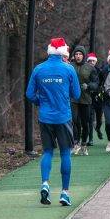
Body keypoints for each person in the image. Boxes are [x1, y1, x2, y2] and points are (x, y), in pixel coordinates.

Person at [26, 37, 81, 207]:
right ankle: (65, 193)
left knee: (48, 152)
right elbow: (77, 94)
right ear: (64, 52)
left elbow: (29, 94)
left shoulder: (39, 69)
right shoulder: (69, 69)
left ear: (49, 51)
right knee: (65, 152)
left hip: (45, 117)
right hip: (63, 117)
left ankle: (45, 183)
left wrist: (41, 102)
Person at [71, 46, 99, 156]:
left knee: (85, 123)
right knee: (74, 120)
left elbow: (96, 83)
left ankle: (84, 144)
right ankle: (76, 142)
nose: (78, 56)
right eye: (76, 54)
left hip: (86, 99)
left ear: (83, 55)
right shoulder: (70, 66)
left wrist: (88, 86)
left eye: (80, 54)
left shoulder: (90, 67)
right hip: (73, 98)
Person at [86, 53, 103, 146]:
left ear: (96, 62)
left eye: (93, 61)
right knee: (90, 118)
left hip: (99, 97)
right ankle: (91, 139)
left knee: (99, 119)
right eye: (90, 61)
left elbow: (102, 83)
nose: (91, 62)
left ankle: (98, 128)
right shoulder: (85, 71)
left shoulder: (99, 71)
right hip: (89, 98)